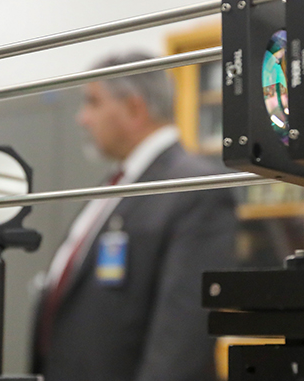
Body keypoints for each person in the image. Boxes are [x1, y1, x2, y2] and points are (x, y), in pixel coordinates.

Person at [31, 52, 238, 381]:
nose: (82, 118)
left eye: (93, 103)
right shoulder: (118, 185)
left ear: (133, 108)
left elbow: (181, 338)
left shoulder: (194, 188)